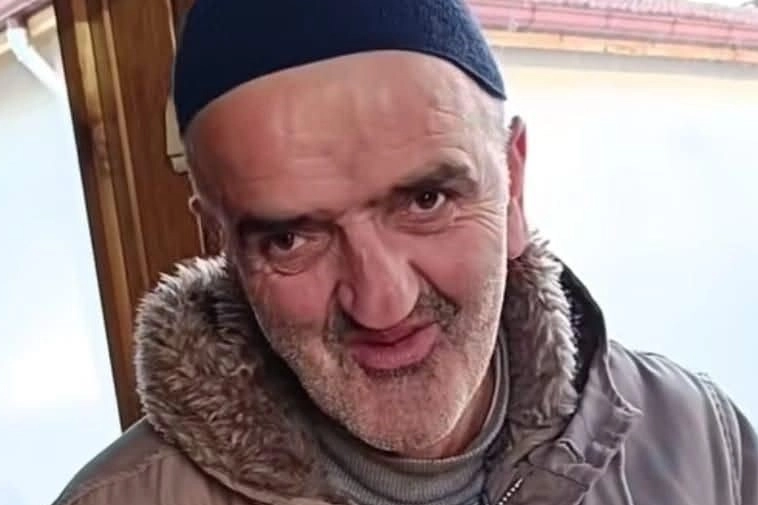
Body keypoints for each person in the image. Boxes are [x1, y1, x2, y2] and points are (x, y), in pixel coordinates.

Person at [53, 1, 757, 504]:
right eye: (290, 237)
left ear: (512, 185)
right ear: (224, 245)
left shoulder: (700, 442)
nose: (382, 303)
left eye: (426, 200)